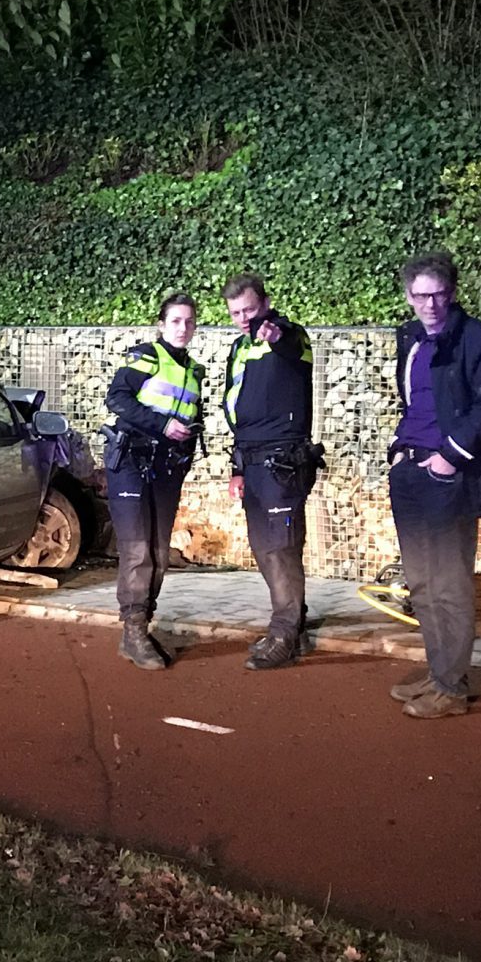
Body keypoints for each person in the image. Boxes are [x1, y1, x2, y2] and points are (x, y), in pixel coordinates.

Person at [387, 252, 481, 719]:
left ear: (453, 292)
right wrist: (401, 450)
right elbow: (416, 401)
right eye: (421, 295)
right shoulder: (411, 338)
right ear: (408, 296)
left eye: (439, 293)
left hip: (446, 476)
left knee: (448, 584)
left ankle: (452, 687)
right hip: (409, 471)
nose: (431, 304)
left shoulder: (476, 339)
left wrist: (449, 456)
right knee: (421, 584)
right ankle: (439, 672)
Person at [222, 273, 322, 671]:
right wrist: (237, 467)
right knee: (265, 548)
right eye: (235, 313)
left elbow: (288, 344)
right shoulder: (239, 347)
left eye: (249, 309)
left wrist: (273, 333)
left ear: (265, 303)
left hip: (284, 459)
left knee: (280, 548)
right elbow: (237, 411)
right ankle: (291, 623)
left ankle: (284, 632)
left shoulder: (289, 336)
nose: (244, 318)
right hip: (252, 459)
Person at [103, 294, 205, 670]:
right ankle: (132, 632)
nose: (182, 328)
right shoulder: (146, 356)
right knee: (138, 549)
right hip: (131, 460)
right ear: (161, 324)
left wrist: (183, 459)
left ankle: (141, 627)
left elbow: (193, 424)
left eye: (189, 322)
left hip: (167, 467)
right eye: (176, 321)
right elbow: (116, 398)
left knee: (160, 553)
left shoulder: (194, 371)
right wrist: (161, 425)